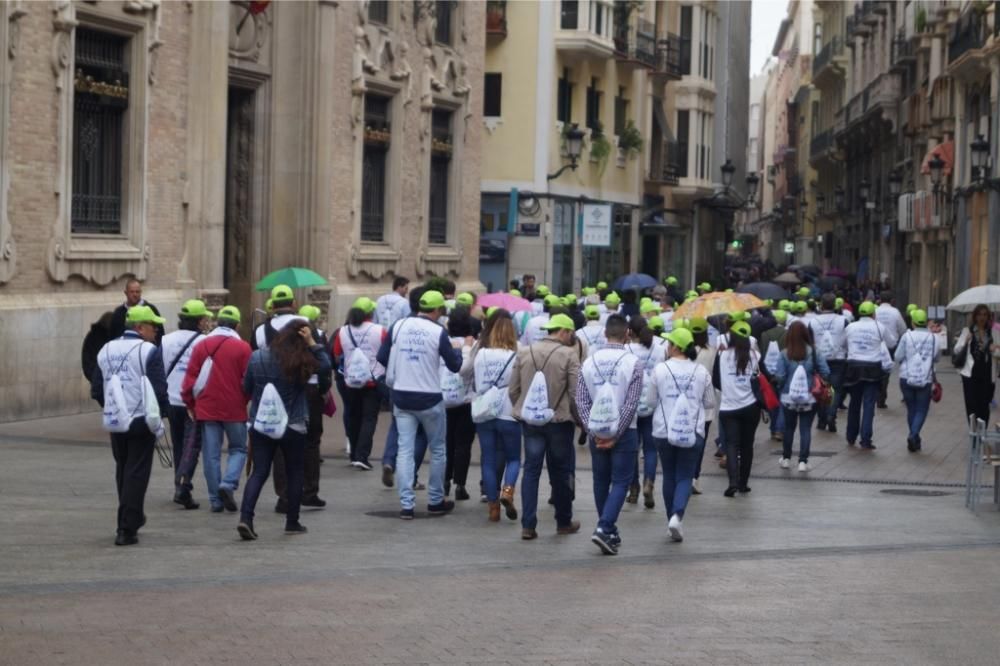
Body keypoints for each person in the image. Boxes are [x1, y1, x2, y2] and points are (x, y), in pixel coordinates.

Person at [237, 321, 332, 540]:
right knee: (295, 471)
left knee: (259, 471)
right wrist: (312, 343)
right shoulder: (301, 360)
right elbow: (326, 366)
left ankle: (246, 517)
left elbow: (247, 388)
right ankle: (292, 521)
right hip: (293, 423)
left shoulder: (258, 356)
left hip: (263, 423)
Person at [376, 290, 463, 520]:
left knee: (404, 450)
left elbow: (382, 356)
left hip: (402, 395)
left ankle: (406, 504)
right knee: (438, 449)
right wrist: (457, 351)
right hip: (429, 398)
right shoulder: (438, 332)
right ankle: (435, 500)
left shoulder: (399, 326)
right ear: (436, 311)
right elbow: (454, 366)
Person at [90, 305, 169, 546]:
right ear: (139, 327)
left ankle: (129, 516)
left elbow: (96, 388)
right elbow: (159, 389)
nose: (156, 330)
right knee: (137, 471)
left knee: (123, 469)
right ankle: (127, 527)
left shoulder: (106, 349)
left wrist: (113, 407)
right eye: (152, 326)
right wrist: (161, 416)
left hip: (116, 421)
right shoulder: (148, 351)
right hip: (140, 420)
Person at [508, 313, 582, 540]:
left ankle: (528, 525)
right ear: (564, 331)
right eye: (571, 334)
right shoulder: (569, 355)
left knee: (531, 470)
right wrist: (579, 420)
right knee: (560, 471)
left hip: (531, 422)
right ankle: (563, 521)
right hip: (559, 422)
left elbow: (513, 390)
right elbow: (575, 392)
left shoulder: (525, 351)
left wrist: (524, 409)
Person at [576, 315, 643, 555]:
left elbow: (581, 400)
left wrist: (592, 430)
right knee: (622, 481)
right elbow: (631, 403)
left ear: (605, 334)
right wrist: (616, 433)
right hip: (625, 431)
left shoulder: (589, 362)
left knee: (600, 480)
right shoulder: (633, 363)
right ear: (627, 334)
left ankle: (609, 530)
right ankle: (605, 527)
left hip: (597, 430)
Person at [181, 305, 251, 513]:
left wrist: (191, 404)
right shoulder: (243, 348)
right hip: (234, 408)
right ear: (237, 325)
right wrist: (244, 399)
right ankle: (227, 484)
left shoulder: (202, 346)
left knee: (210, 454)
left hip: (207, 407)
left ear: (218, 323)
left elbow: (190, 379)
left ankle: (215, 500)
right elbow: (248, 381)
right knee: (238, 449)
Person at [648, 327, 714, 542]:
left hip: (663, 430)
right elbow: (710, 402)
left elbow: (650, 402)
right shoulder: (701, 372)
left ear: (676, 347)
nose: (667, 347)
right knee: (685, 475)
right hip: (692, 430)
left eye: (669, 343)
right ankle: (677, 516)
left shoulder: (660, 370)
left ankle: (672, 520)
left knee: (669, 475)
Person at [270, 304, 332, 513]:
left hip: (286, 393)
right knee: (311, 443)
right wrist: (313, 343)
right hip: (312, 392)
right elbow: (325, 367)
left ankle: (284, 495)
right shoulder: (317, 338)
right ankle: (309, 491)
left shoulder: (278, 346)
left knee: (282, 443)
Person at [463, 309, 521, 522]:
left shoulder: (481, 353)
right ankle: (508, 490)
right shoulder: (517, 354)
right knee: (513, 458)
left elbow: (468, 374)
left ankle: (493, 507)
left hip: (484, 410)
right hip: (508, 412)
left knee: (488, 459)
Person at [161, 299, 212, 510]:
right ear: (199, 321)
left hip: (172, 399)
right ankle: (183, 487)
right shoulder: (205, 342)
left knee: (179, 444)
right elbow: (205, 374)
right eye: (205, 319)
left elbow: (160, 368)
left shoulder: (166, 340)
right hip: (191, 401)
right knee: (192, 446)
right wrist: (196, 398)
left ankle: (178, 484)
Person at [333, 297, 387, 471]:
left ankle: (354, 454)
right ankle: (362, 456)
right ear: (370, 312)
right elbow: (387, 353)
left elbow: (337, 353)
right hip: (373, 380)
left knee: (353, 416)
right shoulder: (379, 330)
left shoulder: (343, 331)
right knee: (369, 418)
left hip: (351, 381)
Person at [773, 321, 831, 472]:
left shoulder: (784, 353)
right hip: (809, 398)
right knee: (805, 429)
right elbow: (826, 372)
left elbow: (779, 376)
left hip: (788, 398)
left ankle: (786, 458)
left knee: (789, 428)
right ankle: (803, 461)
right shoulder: (814, 352)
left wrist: (782, 387)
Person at [713, 320, 761, 497]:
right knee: (747, 445)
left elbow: (715, 380)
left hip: (728, 407)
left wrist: (728, 389)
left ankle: (732, 482)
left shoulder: (722, 355)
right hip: (751, 406)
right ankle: (743, 483)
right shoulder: (755, 356)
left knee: (731, 445)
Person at [625, 317, 665, 508]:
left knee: (633, 448)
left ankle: (633, 488)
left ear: (631, 331)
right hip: (652, 402)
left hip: (631, 403)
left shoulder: (628, 350)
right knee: (650, 448)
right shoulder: (660, 348)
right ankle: (649, 482)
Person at [844, 301, 893, 449]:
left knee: (854, 403)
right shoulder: (879, 327)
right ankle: (865, 439)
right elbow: (891, 343)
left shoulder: (850, 327)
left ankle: (851, 436)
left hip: (853, 367)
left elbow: (843, 344)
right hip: (873, 368)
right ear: (873, 313)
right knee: (869, 404)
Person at [894, 309, 940, 452]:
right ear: (926, 323)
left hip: (906, 378)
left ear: (913, 322)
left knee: (911, 409)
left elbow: (897, 356)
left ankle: (914, 436)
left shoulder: (906, 336)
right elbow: (937, 358)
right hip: (925, 379)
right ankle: (914, 435)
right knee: (921, 409)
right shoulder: (934, 338)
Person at [443, 308, 477, 500]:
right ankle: (460, 485)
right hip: (466, 401)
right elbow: (468, 370)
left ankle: (445, 481)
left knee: (447, 443)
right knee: (463, 444)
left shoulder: (443, 342)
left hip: (445, 400)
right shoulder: (472, 345)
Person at [809, 294, 848, 433]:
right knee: (835, 390)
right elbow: (847, 339)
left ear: (821, 305)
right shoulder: (843, 320)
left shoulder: (813, 322)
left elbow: (810, 342)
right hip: (838, 358)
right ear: (835, 305)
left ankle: (821, 419)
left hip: (820, 359)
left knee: (821, 389)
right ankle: (831, 415)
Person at [954, 303, 996, 426]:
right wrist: (966, 341)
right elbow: (957, 350)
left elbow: (997, 350)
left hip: (987, 373)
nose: (982, 317)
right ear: (975, 316)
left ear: (988, 317)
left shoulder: (993, 333)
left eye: (984, 315)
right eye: (979, 314)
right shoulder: (968, 331)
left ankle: (982, 434)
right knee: (972, 405)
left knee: (984, 404)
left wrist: (995, 348)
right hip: (970, 374)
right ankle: (973, 432)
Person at [689, 318, 717, 494]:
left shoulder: (684, 352)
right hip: (705, 405)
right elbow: (714, 377)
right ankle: (695, 477)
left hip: (686, 405)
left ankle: (684, 475)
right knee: (700, 442)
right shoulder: (712, 352)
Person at [874, 290, 907, 409]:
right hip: (890, 346)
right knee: (886, 371)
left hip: (876, 345)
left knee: (876, 369)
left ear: (879, 300)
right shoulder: (895, 312)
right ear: (892, 300)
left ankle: (878, 393)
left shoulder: (875, 311)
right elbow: (903, 329)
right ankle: (881, 396)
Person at [109, 278, 165, 342]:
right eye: (132, 292)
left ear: (141, 292)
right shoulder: (118, 313)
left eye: (137, 292)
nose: (135, 294)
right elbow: (112, 335)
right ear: (126, 293)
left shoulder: (151, 309)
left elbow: (160, 332)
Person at [253, 285, 307, 350]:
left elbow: (254, 357)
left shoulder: (259, 330)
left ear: (272, 305)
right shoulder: (306, 323)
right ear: (293, 303)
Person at [761, 309, 788, 440]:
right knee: (783, 401)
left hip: (767, 373)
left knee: (771, 401)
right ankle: (779, 429)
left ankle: (773, 428)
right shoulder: (787, 334)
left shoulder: (764, 333)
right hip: (782, 372)